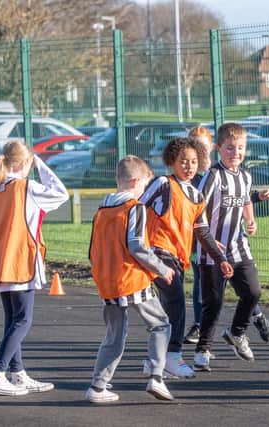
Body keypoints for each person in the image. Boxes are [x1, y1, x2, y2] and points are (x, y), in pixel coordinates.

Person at [139, 137, 233, 379]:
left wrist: (220, 258)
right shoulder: (163, 183)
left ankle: (155, 361)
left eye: (193, 161)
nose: (189, 166)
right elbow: (137, 207)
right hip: (157, 252)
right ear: (172, 162)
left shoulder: (196, 195)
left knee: (169, 310)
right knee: (177, 302)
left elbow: (201, 230)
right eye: (184, 161)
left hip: (177, 259)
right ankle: (173, 356)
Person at [87, 156, 177, 403]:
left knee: (114, 336)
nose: (144, 192)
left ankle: (97, 386)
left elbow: (92, 250)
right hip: (131, 278)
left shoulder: (102, 210)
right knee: (160, 324)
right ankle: (156, 377)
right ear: (136, 182)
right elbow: (136, 245)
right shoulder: (135, 208)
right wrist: (161, 269)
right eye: (144, 186)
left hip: (108, 281)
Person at [0, 140, 69, 396]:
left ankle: (17, 373)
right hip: (20, 260)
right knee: (23, 320)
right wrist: (40, 163)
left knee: (12, 320)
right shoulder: (25, 186)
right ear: (25, 163)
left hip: (0, 261)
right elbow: (61, 193)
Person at [184, 126, 269, 346]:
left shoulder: (240, 174)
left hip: (234, 243)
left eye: (203, 146)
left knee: (245, 285)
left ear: (210, 147)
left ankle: (255, 317)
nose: (201, 152)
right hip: (205, 244)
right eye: (196, 148)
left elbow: (240, 197)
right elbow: (194, 209)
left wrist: (253, 212)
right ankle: (201, 328)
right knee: (205, 290)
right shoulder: (197, 177)